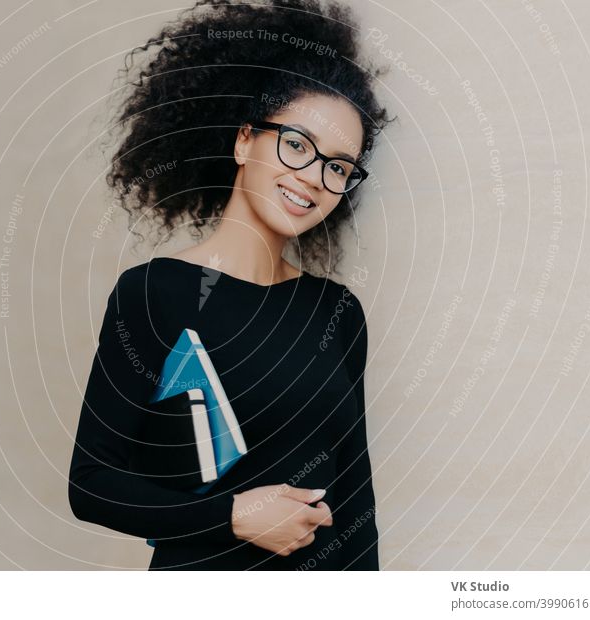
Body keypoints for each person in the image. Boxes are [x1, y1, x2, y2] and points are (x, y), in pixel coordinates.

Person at [68, 0, 393, 570]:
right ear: (245, 140)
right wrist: (232, 516)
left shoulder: (338, 313)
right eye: (297, 144)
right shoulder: (155, 294)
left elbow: (354, 496)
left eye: (339, 167)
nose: (314, 177)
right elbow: (92, 484)